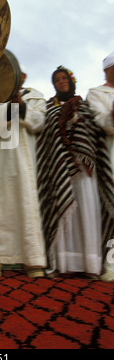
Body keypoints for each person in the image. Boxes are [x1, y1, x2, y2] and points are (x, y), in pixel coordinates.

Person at [36, 66, 114, 279]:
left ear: (72, 81)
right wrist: (63, 118)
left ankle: (89, 264)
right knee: (63, 211)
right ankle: (63, 263)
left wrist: (76, 119)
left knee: (88, 211)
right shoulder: (48, 108)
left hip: (85, 170)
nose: (61, 82)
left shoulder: (86, 105)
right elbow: (46, 137)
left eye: (64, 78)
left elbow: (96, 132)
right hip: (60, 169)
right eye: (57, 80)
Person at [0, 66, 47, 277]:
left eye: (18, 75)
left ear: (24, 77)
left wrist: (20, 106)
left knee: (27, 203)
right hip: (3, 158)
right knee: (1, 204)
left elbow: (39, 123)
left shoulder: (35, 96)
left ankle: (33, 260)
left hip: (27, 158)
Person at [86, 52, 114, 282]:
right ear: (107, 70)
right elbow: (104, 123)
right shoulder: (97, 94)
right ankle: (111, 263)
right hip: (110, 156)